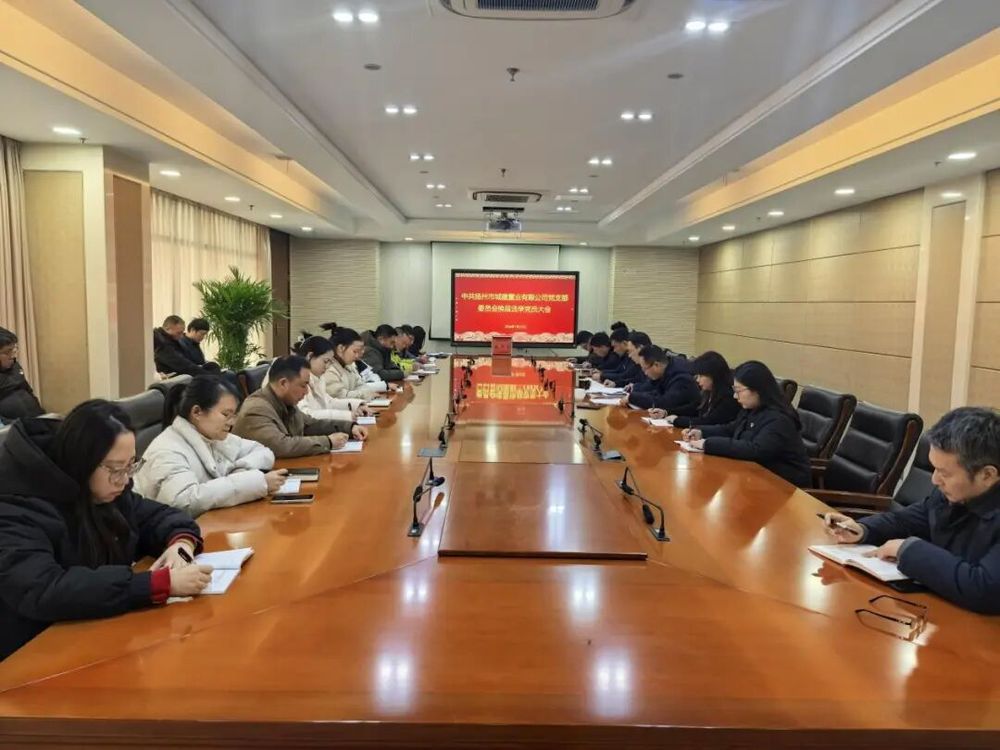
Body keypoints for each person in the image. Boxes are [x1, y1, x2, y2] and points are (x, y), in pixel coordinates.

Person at [0, 400, 211, 659]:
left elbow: (158, 517)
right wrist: (153, 585)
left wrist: (181, 544)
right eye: (115, 469)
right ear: (81, 462)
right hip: (34, 652)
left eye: (131, 465)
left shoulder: (106, 490)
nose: (124, 480)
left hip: (99, 630)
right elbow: (44, 589)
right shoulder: (16, 507)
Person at [823, 407, 1000, 614]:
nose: (934, 480)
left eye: (944, 473)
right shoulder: (952, 493)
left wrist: (907, 550)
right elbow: (908, 520)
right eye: (934, 469)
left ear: (987, 475)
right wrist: (863, 530)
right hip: (942, 610)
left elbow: (984, 588)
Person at [134, 376, 285, 518]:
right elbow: (184, 502)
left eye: (234, 415)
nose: (232, 422)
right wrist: (255, 482)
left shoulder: (212, 435)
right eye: (226, 414)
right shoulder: (168, 450)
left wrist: (238, 471)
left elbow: (263, 452)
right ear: (197, 412)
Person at [682, 360, 811, 487]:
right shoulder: (752, 408)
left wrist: (707, 444)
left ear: (757, 390)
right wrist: (701, 431)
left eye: (738, 391)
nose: (735, 396)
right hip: (756, 478)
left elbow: (756, 450)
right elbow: (731, 429)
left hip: (785, 487)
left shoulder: (779, 419)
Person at [233, 356, 365, 458]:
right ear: (283, 383)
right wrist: (328, 442)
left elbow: (309, 424)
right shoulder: (256, 408)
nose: (307, 391)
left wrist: (349, 427)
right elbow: (281, 446)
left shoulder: (285, 402)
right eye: (303, 385)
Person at [652, 350, 740, 428]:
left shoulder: (728, 397)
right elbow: (693, 408)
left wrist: (678, 420)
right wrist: (666, 412)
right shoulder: (708, 392)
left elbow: (709, 422)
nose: (697, 380)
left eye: (701, 376)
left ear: (713, 375)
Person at [292, 335, 368, 421]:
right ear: (310, 356)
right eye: (325, 361)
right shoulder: (296, 379)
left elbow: (329, 402)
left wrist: (357, 405)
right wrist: (346, 415)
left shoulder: (318, 378)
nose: (328, 366)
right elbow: (306, 414)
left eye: (330, 362)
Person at [626, 345, 700, 414]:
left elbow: (664, 403)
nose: (645, 373)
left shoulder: (681, 378)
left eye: (645, 369)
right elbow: (656, 392)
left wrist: (633, 398)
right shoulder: (667, 369)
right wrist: (633, 395)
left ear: (656, 365)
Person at [325, 326, 391, 400]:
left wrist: (363, 393)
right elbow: (339, 395)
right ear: (341, 348)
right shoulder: (327, 368)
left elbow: (361, 385)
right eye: (355, 351)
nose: (357, 356)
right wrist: (364, 394)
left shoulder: (350, 365)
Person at [0, 327, 43, 422]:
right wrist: (16, 426)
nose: (13, 355)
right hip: (12, 428)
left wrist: (42, 415)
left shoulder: (15, 366)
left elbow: (28, 390)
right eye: (7, 352)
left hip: (36, 420)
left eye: (13, 350)